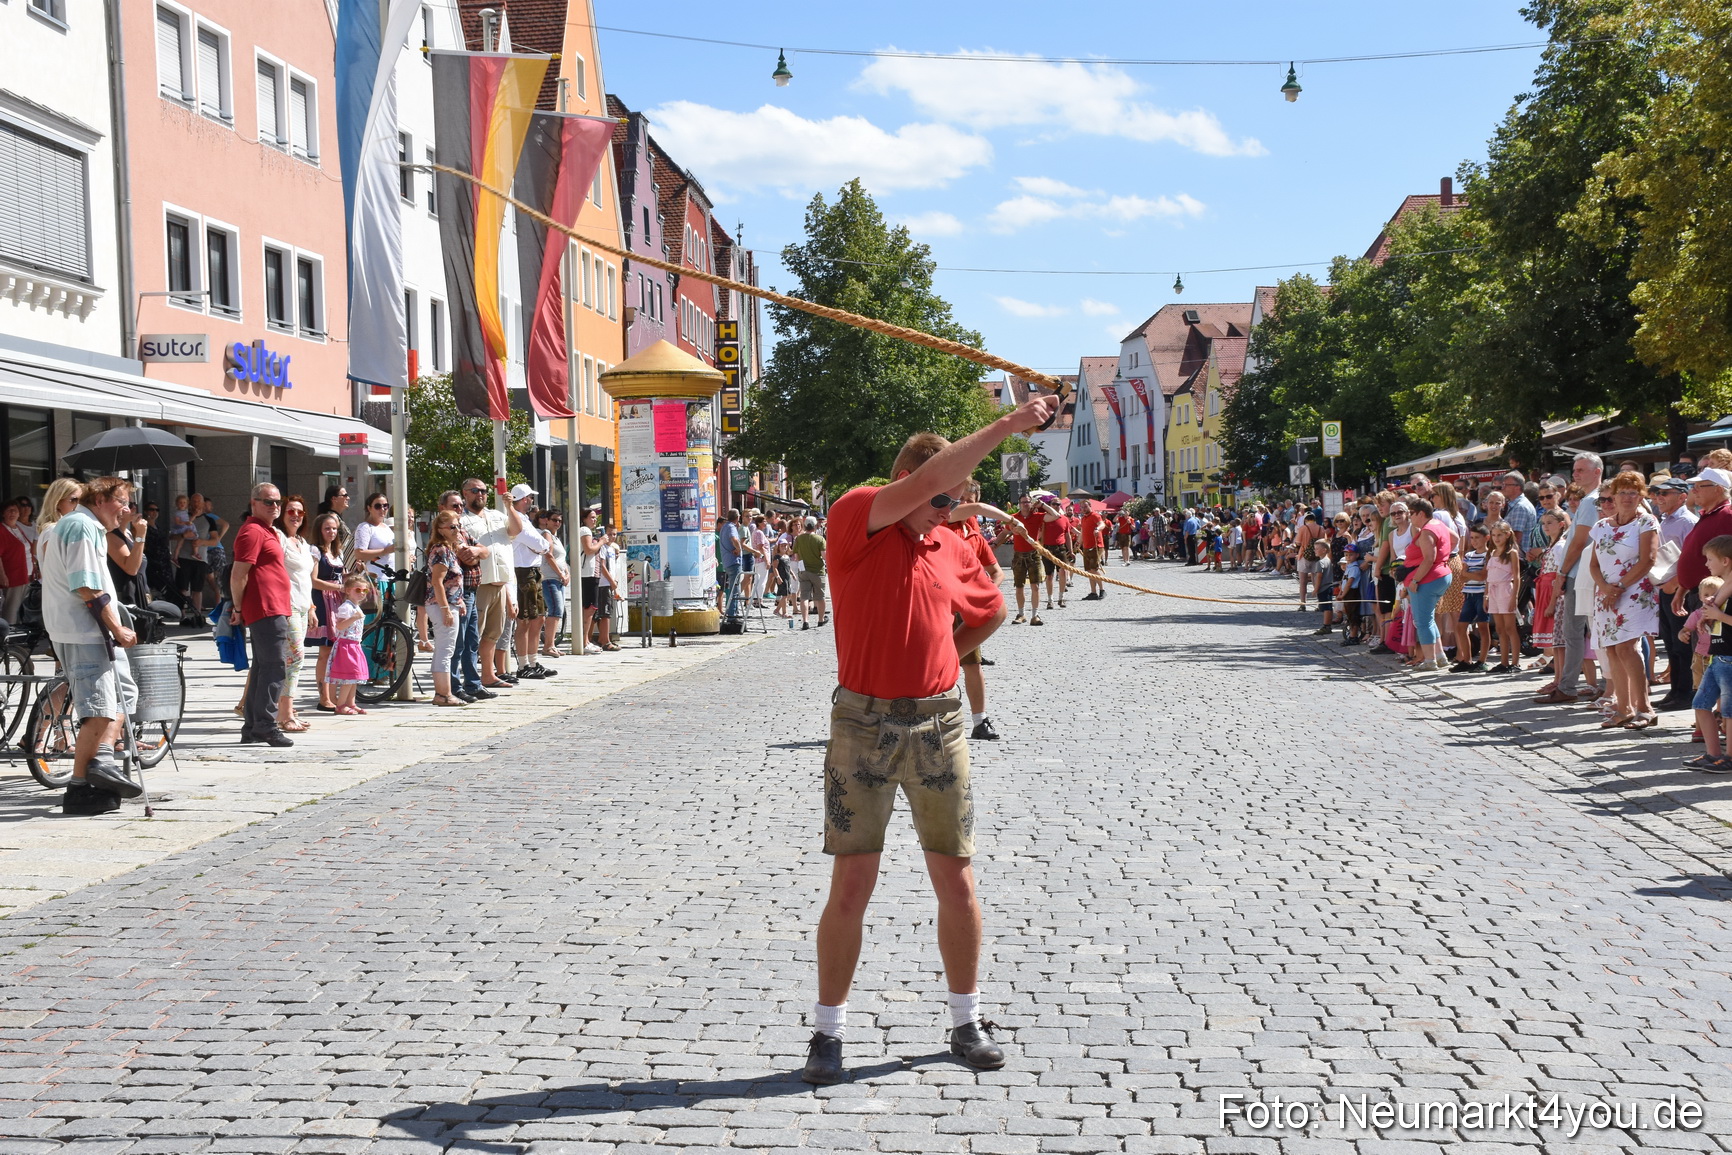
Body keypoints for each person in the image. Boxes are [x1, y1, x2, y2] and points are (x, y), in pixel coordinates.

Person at [803, 391, 1056, 1087]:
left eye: (956, 499)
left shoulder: (947, 542)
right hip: (863, 724)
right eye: (941, 497)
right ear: (909, 483)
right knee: (852, 882)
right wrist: (1011, 423)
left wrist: (946, 655)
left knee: (957, 877)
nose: (947, 509)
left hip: (939, 723)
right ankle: (827, 1031)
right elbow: (925, 485)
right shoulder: (856, 514)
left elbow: (993, 608)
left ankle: (966, 1020)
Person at [37, 476, 144, 815]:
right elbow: (85, 586)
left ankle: (101, 764)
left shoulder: (87, 527)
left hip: (89, 631)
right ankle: (80, 786)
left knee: (120, 697)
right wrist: (118, 628)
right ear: (100, 500)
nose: (126, 509)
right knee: (97, 710)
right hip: (82, 631)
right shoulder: (80, 526)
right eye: (121, 501)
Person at [1589, 472, 1660, 729]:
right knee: (1611, 649)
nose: (1627, 497)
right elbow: (1594, 564)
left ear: (1641, 496)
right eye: (1622, 492)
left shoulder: (1646, 521)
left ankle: (1645, 708)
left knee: (1627, 648)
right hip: (1606, 594)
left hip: (1635, 591)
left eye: (1633, 492)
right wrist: (1605, 588)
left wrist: (1618, 587)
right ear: (1614, 496)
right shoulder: (1601, 526)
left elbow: (1648, 559)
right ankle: (1624, 707)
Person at [229, 483, 294, 748]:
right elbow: (238, 575)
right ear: (253, 503)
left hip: (272, 607)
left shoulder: (266, 530)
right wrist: (237, 608)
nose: (275, 506)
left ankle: (253, 727)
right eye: (268, 501)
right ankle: (266, 725)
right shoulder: (253, 531)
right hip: (266, 608)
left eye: (278, 502)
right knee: (274, 667)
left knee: (262, 668)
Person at [1540, 453, 1606, 704]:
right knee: (1586, 631)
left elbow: (1579, 542)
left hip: (1580, 574)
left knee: (1575, 633)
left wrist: (1562, 573)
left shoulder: (1590, 501)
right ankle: (1594, 685)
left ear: (1597, 472)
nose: (1575, 474)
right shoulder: (1592, 499)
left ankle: (1569, 687)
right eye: (1575, 470)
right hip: (1584, 573)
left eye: (1581, 470)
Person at [460, 478, 526, 687]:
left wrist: (509, 507)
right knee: (474, 635)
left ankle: (488, 675)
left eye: (484, 491)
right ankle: (471, 679)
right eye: (475, 490)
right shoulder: (462, 520)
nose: (481, 494)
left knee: (493, 634)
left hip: (500, 582)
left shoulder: (497, 515)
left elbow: (516, 530)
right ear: (465, 493)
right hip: (479, 582)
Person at [507, 483, 555, 680]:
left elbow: (543, 546)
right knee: (525, 619)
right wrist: (542, 546)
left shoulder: (524, 519)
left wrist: (542, 546)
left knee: (538, 618)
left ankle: (533, 661)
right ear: (525, 499)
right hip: (523, 571)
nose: (532, 501)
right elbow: (541, 544)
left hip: (533, 571)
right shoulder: (516, 520)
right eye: (530, 498)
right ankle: (523, 664)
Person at [275, 496, 315, 734]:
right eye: (291, 511)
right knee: (295, 658)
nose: (296, 516)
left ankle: (284, 709)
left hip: (302, 606)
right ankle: (285, 713)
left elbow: (305, 579)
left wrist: (311, 607)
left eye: (300, 512)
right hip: (287, 606)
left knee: (291, 659)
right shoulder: (279, 538)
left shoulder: (302, 541)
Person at [1402, 497, 1453, 672]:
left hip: (1428, 579)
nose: (1409, 517)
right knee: (1429, 620)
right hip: (1441, 575)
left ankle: (1430, 660)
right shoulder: (1438, 524)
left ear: (1421, 513)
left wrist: (1415, 580)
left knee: (1422, 622)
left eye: (1411, 513)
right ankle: (1440, 657)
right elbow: (1454, 539)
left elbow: (1429, 559)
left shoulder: (1427, 531)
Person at [425, 510, 469, 707]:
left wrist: (458, 601)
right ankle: (444, 694)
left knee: (444, 650)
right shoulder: (441, 550)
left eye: (458, 526)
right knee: (445, 650)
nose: (457, 530)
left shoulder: (447, 549)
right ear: (441, 529)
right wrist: (445, 609)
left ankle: (442, 693)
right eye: (452, 527)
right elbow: (437, 582)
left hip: (448, 604)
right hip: (441, 605)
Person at [306, 512, 346, 712]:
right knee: (325, 651)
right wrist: (338, 587)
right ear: (319, 530)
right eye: (327, 528)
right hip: (322, 601)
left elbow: (340, 576)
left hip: (337, 603)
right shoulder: (315, 551)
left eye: (334, 528)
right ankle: (324, 697)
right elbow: (313, 581)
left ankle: (332, 695)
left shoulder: (337, 552)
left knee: (335, 651)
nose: (331, 532)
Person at [326, 573, 372, 715]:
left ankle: (351, 703)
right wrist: (353, 618)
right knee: (349, 677)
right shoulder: (346, 607)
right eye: (358, 590)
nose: (362, 593)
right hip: (346, 645)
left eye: (365, 590)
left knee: (354, 676)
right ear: (347, 590)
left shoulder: (356, 606)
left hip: (354, 645)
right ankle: (341, 704)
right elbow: (339, 626)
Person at [1483, 519, 1522, 674]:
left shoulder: (1512, 553)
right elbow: (1488, 577)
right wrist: (1486, 595)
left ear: (1507, 535)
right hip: (1493, 591)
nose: (1496, 538)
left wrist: (1514, 597)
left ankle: (1515, 662)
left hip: (1505, 589)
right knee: (1499, 628)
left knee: (1510, 627)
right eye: (1494, 535)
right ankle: (1503, 662)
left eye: (1499, 535)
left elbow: (1517, 576)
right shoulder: (1492, 553)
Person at [1004, 494, 1044, 625]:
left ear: (1031, 503)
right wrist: (994, 544)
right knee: (1019, 586)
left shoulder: (1037, 516)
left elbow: (1055, 516)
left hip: (1033, 554)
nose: (1025, 504)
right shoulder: (1013, 518)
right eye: (1023, 502)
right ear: (1019, 504)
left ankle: (1035, 615)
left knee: (1035, 586)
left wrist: (1042, 505)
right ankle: (1021, 614)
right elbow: (1006, 532)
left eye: (1028, 502)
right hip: (1018, 555)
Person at [538, 510, 571, 658]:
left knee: (558, 611)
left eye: (559, 521)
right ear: (547, 520)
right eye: (554, 520)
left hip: (559, 578)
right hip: (550, 578)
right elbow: (548, 555)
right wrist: (560, 573)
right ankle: (548, 646)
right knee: (555, 610)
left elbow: (562, 559)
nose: (557, 523)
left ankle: (551, 644)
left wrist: (567, 573)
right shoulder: (546, 534)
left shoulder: (557, 538)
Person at [575, 504, 604, 655]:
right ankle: (584, 641)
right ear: (584, 518)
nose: (594, 520)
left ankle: (585, 639)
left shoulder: (587, 531)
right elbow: (588, 549)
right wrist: (601, 541)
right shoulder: (585, 530)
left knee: (590, 609)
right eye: (591, 517)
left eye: (595, 517)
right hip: (587, 574)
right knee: (589, 609)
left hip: (592, 573)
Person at [2, 499, 36, 625]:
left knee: (20, 609)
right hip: (13, 576)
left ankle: (16, 632)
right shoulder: (2, 530)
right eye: (9, 511)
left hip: (25, 575)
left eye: (15, 511)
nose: (12, 513)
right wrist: (2, 575)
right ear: (3, 513)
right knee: (11, 608)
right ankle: (7, 633)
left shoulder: (18, 529)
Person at [793, 516, 828, 629]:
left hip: (804, 571)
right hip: (817, 571)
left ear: (805, 526)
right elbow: (824, 556)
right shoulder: (820, 539)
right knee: (820, 596)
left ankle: (805, 621)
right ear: (815, 526)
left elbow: (796, 556)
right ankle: (820, 620)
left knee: (804, 596)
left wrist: (801, 564)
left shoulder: (799, 539)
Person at [592, 525, 619, 651]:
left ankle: (603, 638)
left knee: (606, 612)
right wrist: (611, 581)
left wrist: (615, 581)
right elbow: (602, 566)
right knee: (604, 613)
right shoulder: (602, 548)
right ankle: (605, 640)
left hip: (609, 584)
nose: (612, 537)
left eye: (614, 534)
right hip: (603, 584)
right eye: (609, 534)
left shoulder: (612, 549)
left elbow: (613, 567)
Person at [718, 509, 746, 620]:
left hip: (727, 561)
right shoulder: (731, 527)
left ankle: (733, 611)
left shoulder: (724, 526)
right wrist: (738, 549)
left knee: (732, 588)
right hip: (734, 561)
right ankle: (732, 614)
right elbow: (734, 539)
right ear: (738, 517)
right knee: (734, 588)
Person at [1077, 500, 1106, 600]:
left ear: (1090, 506)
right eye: (1082, 507)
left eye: (1085, 507)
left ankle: (1102, 590)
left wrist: (1098, 529)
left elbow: (1102, 524)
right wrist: (1078, 542)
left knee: (1094, 569)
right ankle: (1093, 592)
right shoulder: (1083, 518)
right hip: (1086, 546)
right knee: (1089, 570)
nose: (1084, 509)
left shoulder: (1095, 515)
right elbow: (1082, 532)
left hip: (1096, 546)